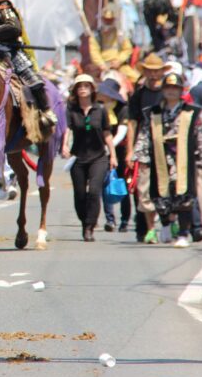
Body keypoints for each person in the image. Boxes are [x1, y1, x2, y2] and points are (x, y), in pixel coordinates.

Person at [133, 72, 202, 248]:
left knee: (184, 195)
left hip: (183, 157)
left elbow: (200, 135)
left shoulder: (191, 111)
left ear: (181, 90)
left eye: (175, 88)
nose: (171, 91)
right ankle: (167, 225)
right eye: (168, 87)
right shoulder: (153, 112)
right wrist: (140, 156)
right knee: (161, 194)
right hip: (161, 156)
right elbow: (145, 134)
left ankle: (184, 232)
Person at [61, 75, 117, 241]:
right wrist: (64, 145)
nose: (83, 89)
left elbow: (107, 133)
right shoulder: (71, 110)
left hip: (98, 157)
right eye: (80, 86)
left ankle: (90, 226)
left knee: (93, 191)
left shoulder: (100, 109)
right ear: (75, 90)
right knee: (80, 194)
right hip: (78, 158)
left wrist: (113, 155)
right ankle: (84, 221)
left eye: (86, 86)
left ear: (92, 89)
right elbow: (68, 129)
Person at [125, 53, 166, 241]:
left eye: (156, 71)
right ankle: (150, 228)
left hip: (166, 144)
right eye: (150, 71)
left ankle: (167, 225)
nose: (153, 74)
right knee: (143, 188)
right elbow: (132, 123)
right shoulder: (139, 95)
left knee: (166, 187)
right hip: (144, 143)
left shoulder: (168, 92)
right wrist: (130, 150)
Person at [97, 78, 131, 232]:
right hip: (102, 151)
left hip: (121, 151)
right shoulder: (99, 108)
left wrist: (110, 147)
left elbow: (122, 131)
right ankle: (110, 219)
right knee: (105, 184)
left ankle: (125, 219)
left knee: (123, 185)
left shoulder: (122, 109)